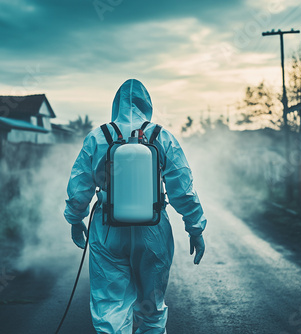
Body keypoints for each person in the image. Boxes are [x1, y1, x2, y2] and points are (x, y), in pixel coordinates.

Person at [64, 79, 207, 333]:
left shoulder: (98, 137)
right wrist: (195, 229)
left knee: (110, 307)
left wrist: (76, 220)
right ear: (147, 105)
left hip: (108, 228)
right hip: (153, 229)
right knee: (151, 308)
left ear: (116, 104)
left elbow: (79, 187)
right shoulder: (161, 136)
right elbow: (182, 189)